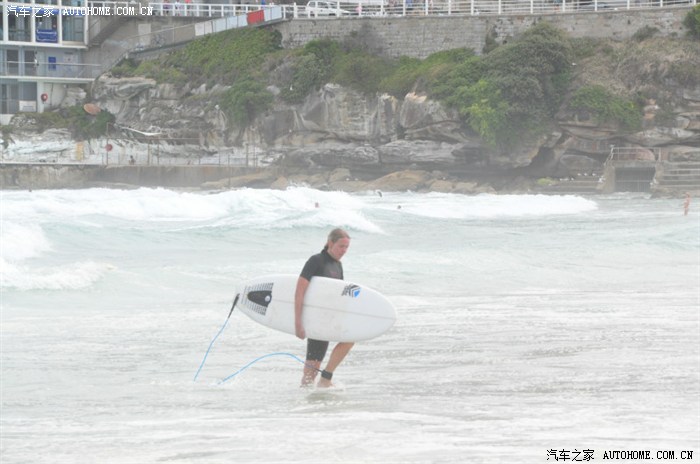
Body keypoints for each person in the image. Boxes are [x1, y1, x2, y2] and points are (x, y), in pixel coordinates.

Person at [295, 228, 353, 388]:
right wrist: (298, 322)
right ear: (330, 243)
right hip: (315, 318)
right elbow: (299, 291)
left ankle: (325, 378)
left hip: (328, 317)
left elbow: (338, 295)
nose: (344, 250)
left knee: (350, 338)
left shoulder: (338, 266)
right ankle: (308, 393)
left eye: (346, 247)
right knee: (311, 371)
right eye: (341, 246)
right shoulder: (316, 261)